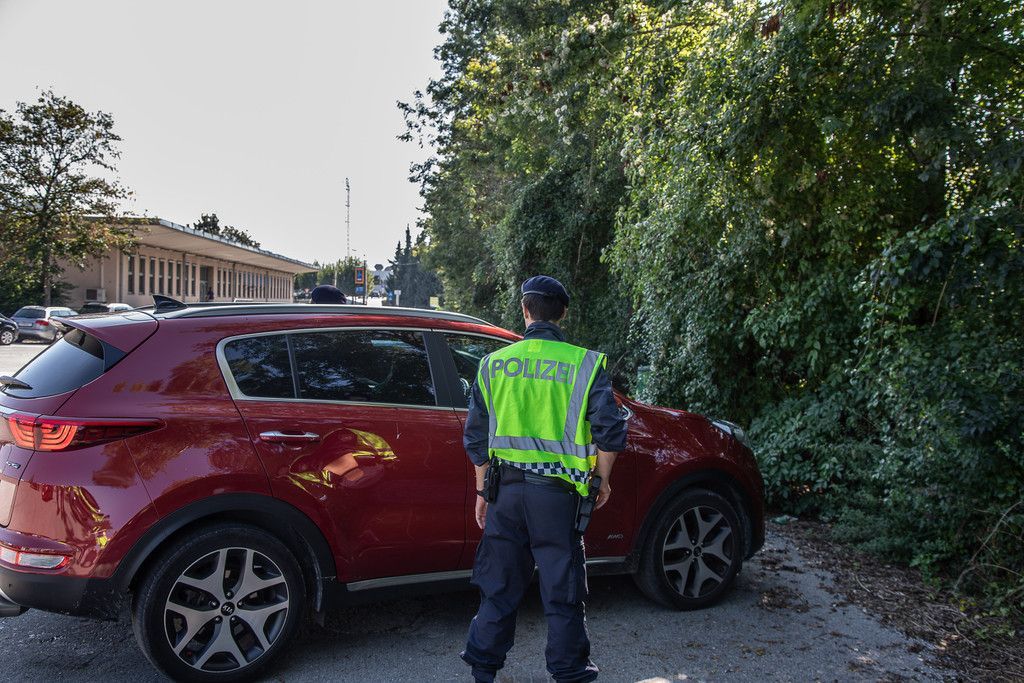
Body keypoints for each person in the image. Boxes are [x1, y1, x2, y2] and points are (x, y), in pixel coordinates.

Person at [460, 275, 628, 683]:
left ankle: (483, 670)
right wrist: (602, 480)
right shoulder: (584, 364)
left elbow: (476, 439)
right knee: (562, 591)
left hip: (505, 494)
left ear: (525, 310)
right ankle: (569, 673)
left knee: (498, 586)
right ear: (563, 313)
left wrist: (483, 490)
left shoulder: (493, 364)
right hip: (557, 499)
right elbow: (610, 432)